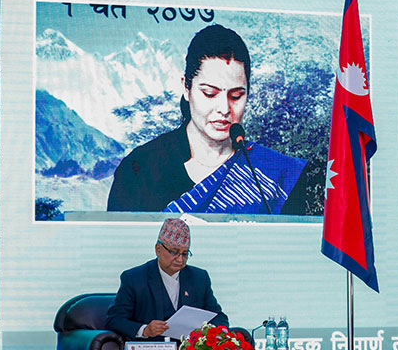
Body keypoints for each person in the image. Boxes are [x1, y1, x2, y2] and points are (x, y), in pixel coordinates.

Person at [107, 24, 309, 215]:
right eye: (209, 93)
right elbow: (121, 248)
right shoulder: (140, 168)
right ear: (186, 87)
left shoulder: (275, 174)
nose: (224, 109)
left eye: (236, 96)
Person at [105, 218, 228, 350]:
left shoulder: (200, 278)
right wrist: (144, 329)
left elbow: (219, 318)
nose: (180, 259)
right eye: (174, 252)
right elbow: (114, 319)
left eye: (185, 253)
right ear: (158, 249)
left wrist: (203, 332)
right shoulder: (134, 278)